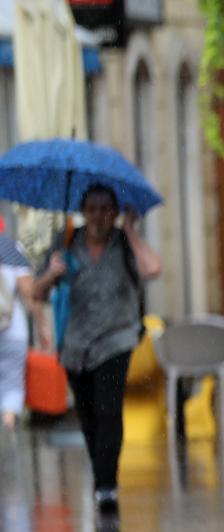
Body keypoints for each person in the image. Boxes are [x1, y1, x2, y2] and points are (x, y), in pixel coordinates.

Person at [31, 186, 161, 511]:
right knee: (89, 417)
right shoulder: (66, 242)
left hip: (116, 341)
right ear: (83, 211)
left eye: (106, 209)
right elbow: (36, 292)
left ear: (115, 212)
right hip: (75, 346)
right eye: (92, 208)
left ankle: (106, 486)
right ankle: (102, 474)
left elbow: (152, 269)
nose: (99, 216)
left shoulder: (124, 244)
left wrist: (130, 229)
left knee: (108, 411)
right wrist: (52, 273)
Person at [0, 229, 35, 430]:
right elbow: (27, 293)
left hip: (13, 334)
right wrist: (41, 325)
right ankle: (8, 423)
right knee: (12, 384)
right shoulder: (12, 249)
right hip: (14, 330)